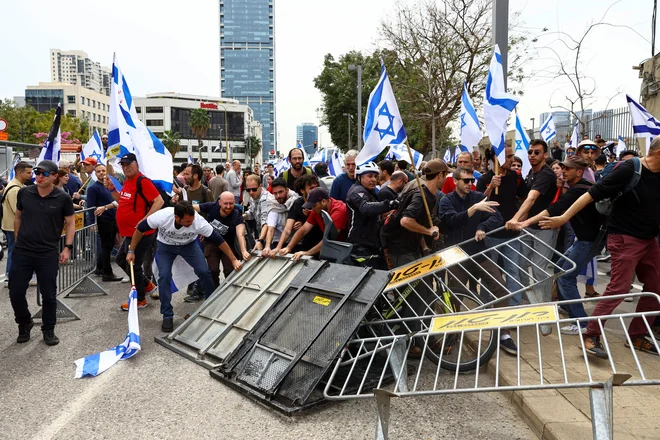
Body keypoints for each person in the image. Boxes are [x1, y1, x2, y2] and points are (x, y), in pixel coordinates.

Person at [540, 139, 660, 358]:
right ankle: (591, 334)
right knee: (620, 288)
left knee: (656, 287)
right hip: (624, 237)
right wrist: (564, 217)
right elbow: (592, 193)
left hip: (649, 240)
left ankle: (637, 335)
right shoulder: (630, 168)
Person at [510, 156, 605, 335]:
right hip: (584, 239)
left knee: (566, 277)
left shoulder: (578, 190)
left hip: (588, 241)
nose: (563, 171)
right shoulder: (577, 187)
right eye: (562, 168)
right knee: (560, 269)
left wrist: (524, 222)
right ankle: (567, 306)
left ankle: (581, 322)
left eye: (567, 169)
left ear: (578, 172)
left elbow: (555, 208)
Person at [126, 201, 242, 332]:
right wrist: (131, 251)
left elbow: (219, 240)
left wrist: (233, 260)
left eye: (191, 220)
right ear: (176, 217)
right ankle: (167, 315)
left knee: (204, 271)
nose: (190, 224)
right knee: (164, 276)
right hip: (166, 247)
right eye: (187, 222)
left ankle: (211, 306)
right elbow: (140, 228)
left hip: (189, 246)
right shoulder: (163, 216)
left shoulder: (198, 221)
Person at [439, 166, 517, 354]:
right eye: (466, 181)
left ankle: (503, 333)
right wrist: (474, 209)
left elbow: (497, 217)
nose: (470, 184)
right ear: (455, 181)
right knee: (454, 294)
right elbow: (451, 221)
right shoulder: (446, 200)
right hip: (456, 255)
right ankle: (452, 331)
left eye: (472, 181)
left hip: (478, 253)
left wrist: (482, 226)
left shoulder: (477, 197)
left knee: (501, 288)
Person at [10, 160, 74, 346]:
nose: (38, 176)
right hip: (23, 251)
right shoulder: (25, 192)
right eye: (37, 173)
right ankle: (24, 322)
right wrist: (17, 239)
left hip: (47, 253)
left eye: (44, 173)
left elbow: (70, 224)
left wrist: (67, 247)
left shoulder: (62, 198)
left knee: (48, 294)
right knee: (15, 292)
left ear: (54, 176)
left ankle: (48, 329)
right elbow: (18, 217)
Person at [506, 139, 559, 322]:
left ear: (545, 154)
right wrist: (518, 220)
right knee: (519, 263)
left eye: (537, 152)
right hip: (528, 226)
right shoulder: (531, 173)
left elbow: (531, 198)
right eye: (530, 152)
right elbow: (526, 202)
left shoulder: (546, 174)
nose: (532, 156)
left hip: (544, 227)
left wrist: (515, 219)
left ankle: (543, 310)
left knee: (539, 269)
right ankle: (527, 302)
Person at [105, 153, 163, 310]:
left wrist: (145, 219)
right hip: (129, 232)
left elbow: (159, 201)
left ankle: (140, 300)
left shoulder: (143, 181)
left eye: (128, 164)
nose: (125, 167)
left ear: (137, 164)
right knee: (121, 260)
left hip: (141, 233)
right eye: (123, 165)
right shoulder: (128, 182)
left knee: (134, 265)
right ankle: (146, 285)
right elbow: (121, 201)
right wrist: (111, 189)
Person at [477, 144, 528, 306]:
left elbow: (526, 198)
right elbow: (478, 203)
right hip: (491, 234)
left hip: (512, 234)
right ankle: (488, 304)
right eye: (508, 157)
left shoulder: (516, 177)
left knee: (512, 271)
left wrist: (521, 220)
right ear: (495, 159)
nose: (512, 159)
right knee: (490, 272)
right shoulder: (485, 179)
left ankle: (513, 307)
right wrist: (491, 187)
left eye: (512, 155)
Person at [382, 159, 448, 267]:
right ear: (440, 175)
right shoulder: (421, 196)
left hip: (412, 248)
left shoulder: (430, 195)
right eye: (446, 175)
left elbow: (418, 220)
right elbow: (406, 221)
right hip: (401, 250)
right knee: (416, 284)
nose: (446, 179)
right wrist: (429, 232)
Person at [346, 162, 399, 268]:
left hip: (371, 242)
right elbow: (365, 208)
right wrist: (389, 204)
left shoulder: (370, 191)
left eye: (375, 176)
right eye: (369, 176)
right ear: (359, 177)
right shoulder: (357, 191)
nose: (374, 179)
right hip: (360, 244)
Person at [195, 192, 251, 287]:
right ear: (220, 202)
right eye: (225, 203)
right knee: (212, 270)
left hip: (228, 245)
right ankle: (214, 293)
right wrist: (200, 227)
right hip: (211, 243)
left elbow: (240, 234)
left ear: (234, 202)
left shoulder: (237, 214)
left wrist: (243, 250)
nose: (228, 206)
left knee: (231, 270)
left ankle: (230, 292)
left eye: (231, 203)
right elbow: (191, 208)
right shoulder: (211, 206)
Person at [278, 187, 349, 260]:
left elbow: (329, 239)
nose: (312, 209)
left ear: (323, 201)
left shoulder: (338, 211)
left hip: (344, 247)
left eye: (314, 206)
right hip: (330, 246)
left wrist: (307, 253)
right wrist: (289, 247)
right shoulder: (317, 209)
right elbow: (304, 229)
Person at [86, 164, 122, 282]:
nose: (101, 173)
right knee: (107, 246)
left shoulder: (109, 187)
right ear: (95, 174)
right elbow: (90, 207)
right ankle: (107, 273)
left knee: (110, 245)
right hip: (103, 220)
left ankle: (100, 267)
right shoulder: (93, 188)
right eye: (98, 171)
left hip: (113, 219)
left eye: (103, 170)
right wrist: (93, 223)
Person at [2, 161, 33, 288]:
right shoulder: (15, 189)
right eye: (28, 172)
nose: (31, 175)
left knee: (14, 250)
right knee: (14, 251)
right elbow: (18, 211)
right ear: (20, 173)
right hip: (13, 226)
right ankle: (9, 277)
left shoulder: (18, 186)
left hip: (11, 225)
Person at [272, 174, 320, 255]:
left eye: (316, 187)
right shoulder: (297, 204)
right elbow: (287, 230)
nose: (315, 190)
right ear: (302, 190)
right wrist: (278, 247)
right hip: (306, 246)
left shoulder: (321, 202)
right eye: (311, 188)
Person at [262, 178, 299, 256]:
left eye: (280, 192)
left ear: (287, 190)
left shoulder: (295, 201)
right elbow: (270, 229)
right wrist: (267, 246)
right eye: (275, 193)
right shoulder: (273, 204)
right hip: (278, 241)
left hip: (296, 242)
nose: (278, 196)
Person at [244, 174, 271, 252]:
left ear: (260, 186)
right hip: (262, 235)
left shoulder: (266, 199)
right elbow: (252, 213)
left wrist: (260, 240)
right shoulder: (253, 197)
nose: (251, 192)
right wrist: (240, 217)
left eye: (254, 189)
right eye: (248, 190)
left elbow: (265, 222)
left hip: (271, 237)